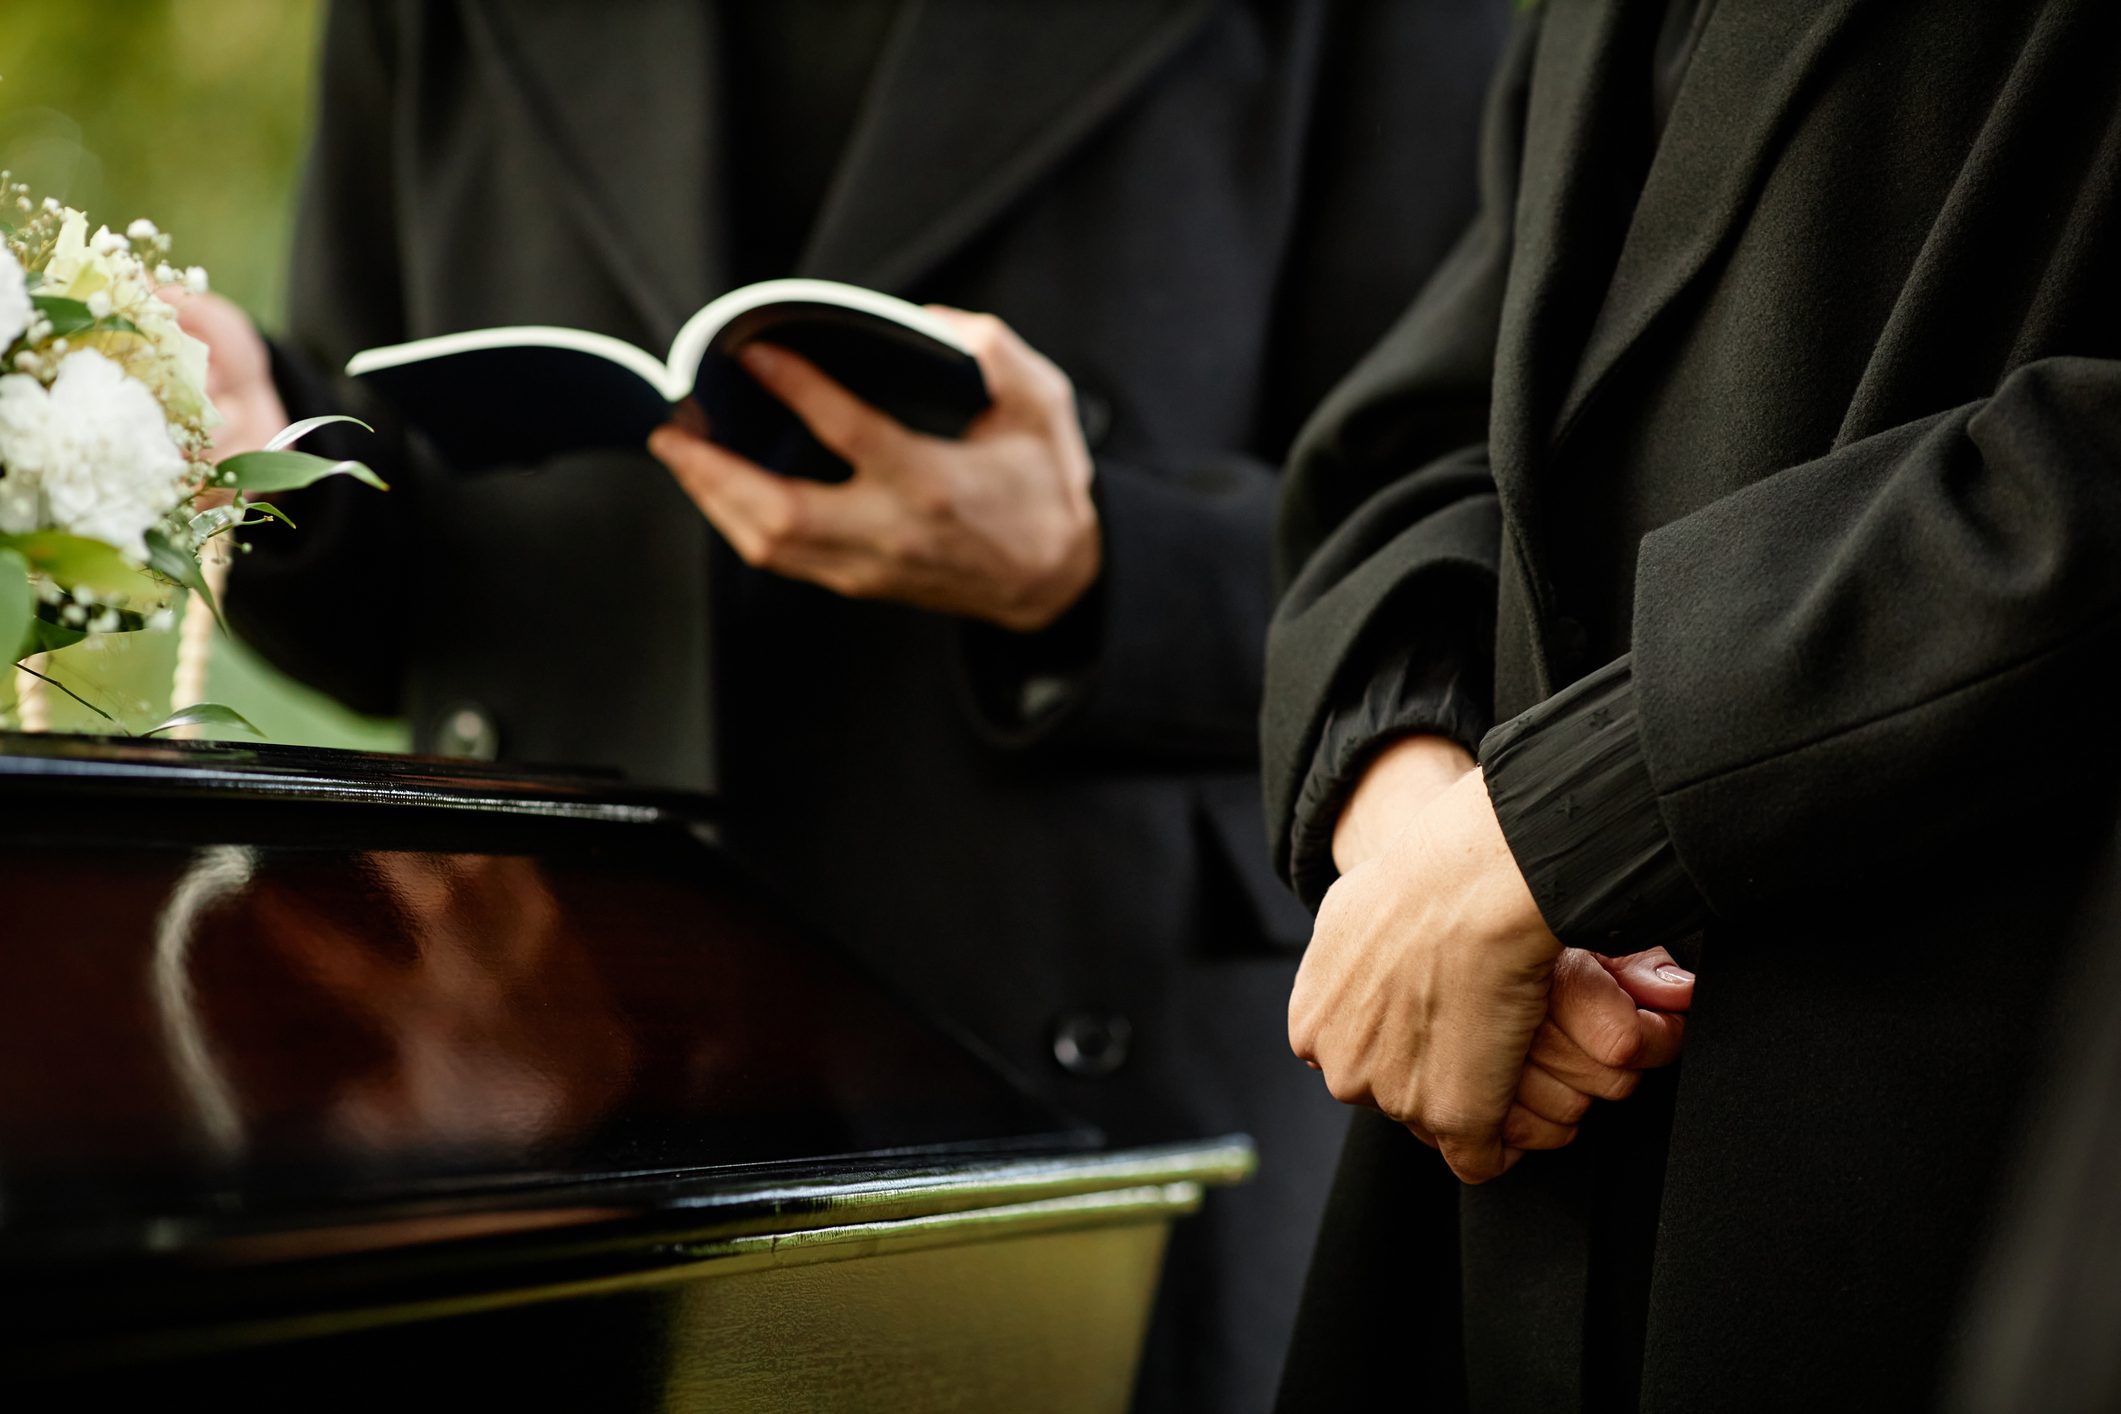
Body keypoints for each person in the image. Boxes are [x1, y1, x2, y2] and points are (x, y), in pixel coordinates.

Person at [184, 2, 1509, 1407]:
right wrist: (265, 465)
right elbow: (395, 599)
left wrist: (1091, 566)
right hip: (540, 1068)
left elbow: (1461, 533)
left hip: (1075, 1091)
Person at [1260, 0, 2121, 1408]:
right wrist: (1411, 806)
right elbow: (1431, 414)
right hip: (1500, 1156)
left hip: (1949, 1156)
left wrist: (1561, 815)